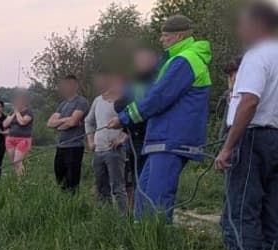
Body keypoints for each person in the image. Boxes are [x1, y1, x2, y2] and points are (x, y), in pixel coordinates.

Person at [110, 15, 212, 222]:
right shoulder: (177, 59)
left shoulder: (185, 60)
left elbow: (159, 97)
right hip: (161, 138)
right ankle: (142, 244)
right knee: (144, 194)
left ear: (180, 35)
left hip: (171, 138)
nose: (161, 39)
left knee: (156, 199)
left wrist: (125, 117)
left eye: (166, 35)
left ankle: (157, 248)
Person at [215, 1, 278, 250]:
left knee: (241, 214)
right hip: (275, 138)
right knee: (272, 217)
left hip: (251, 139)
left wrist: (228, 146)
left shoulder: (257, 56)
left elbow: (250, 100)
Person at [86, 71, 131, 212]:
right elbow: (89, 121)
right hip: (98, 150)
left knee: (118, 187)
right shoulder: (98, 100)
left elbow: (133, 121)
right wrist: (90, 141)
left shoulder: (125, 100)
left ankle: (123, 219)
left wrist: (122, 137)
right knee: (101, 187)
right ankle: (106, 218)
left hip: (115, 150)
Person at [124, 48, 162, 212]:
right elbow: (120, 103)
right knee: (134, 179)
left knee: (148, 178)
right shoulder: (131, 82)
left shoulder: (158, 80)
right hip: (132, 137)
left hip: (151, 135)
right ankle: (136, 216)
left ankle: (150, 215)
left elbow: (151, 106)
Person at [47, 75, 90, 193]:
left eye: (71, 84)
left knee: (72, 182)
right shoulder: (62, 104)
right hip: (61, 146)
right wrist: (64, 121)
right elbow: (50, 123)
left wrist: (62, 123)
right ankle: (63, 206)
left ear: (76, 86)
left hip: (74, 146)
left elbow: (73, 121)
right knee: (60, 180)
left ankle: (73, 206)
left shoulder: (81, 102)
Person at [3, 93, 35, 177]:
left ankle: (21, 182)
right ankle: (16, 179)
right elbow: (5, 124)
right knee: (13, 162)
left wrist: (17, 112)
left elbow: (22, 122)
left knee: (18, 161)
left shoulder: (28, 112)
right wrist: (13, 113)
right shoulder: (12, 113)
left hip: (23, 139)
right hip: (10, 139)